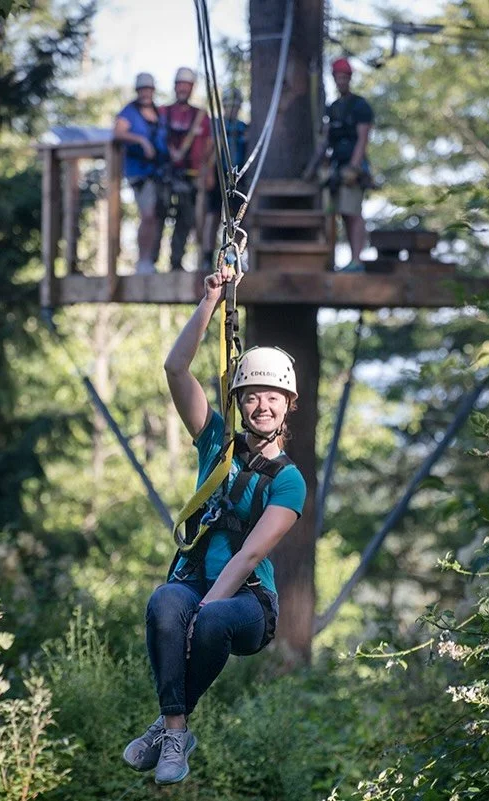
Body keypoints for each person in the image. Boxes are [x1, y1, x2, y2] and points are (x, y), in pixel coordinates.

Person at [122, 267, 306, 786]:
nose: (262, 405)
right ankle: (176, 729)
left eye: (273, 397)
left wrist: (204, 610)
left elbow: (250, 555)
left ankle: (166, 726)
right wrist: (210, 301)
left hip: (247, 604)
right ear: (239, 403)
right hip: (192, 580)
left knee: (207, 620)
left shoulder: (289, 481)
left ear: (288, 404)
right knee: (163, 602)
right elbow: (176, 369)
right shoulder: (217, 444)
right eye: (251, 396)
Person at [304, 57, 374, 272]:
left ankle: (357, 260)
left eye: (345, 77)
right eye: (338, 77)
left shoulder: (360, 105)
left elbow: (363, 138)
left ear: (350, 79)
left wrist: (354, 167)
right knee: (339, 214)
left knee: (353, 212)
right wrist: (314, 167)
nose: (341, 81)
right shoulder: (333, 108)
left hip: (352, 167)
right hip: (336, 167)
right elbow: (326, 140)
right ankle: (337, 260)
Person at [154, 67, 213, 271]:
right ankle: (151, 260)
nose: (182, 89)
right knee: (159, 215)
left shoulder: (200, 116)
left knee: (186, 218)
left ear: (192, 88)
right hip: (166, 174)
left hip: (191, 176)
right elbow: (157, 137)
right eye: (179, 85)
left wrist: (207, 172)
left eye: (186, 86)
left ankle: (176, 261)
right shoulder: (163, 112)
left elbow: (208, 145)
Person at [114, 72, 169, 275]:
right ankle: (143, 260)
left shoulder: (158, 113)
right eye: (142, 89)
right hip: (140, 173)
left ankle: (151, 260)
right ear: (137, 91)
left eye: (149, 89)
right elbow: (118, 133)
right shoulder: (129, 112)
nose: (146, 93)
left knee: (157, 215)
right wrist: (141, 141)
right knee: (147, 214)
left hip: (159, 172)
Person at [201, 86, 249, 273]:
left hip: (237, 179)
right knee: (212, 215)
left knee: (237, 219)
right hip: (218, 175)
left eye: (235, 105)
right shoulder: (216, 126)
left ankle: (236, 256)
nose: (232, 109)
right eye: (228, 105)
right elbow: (208, 152)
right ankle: (207, 256)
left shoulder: (243, 128)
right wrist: (209, 174)